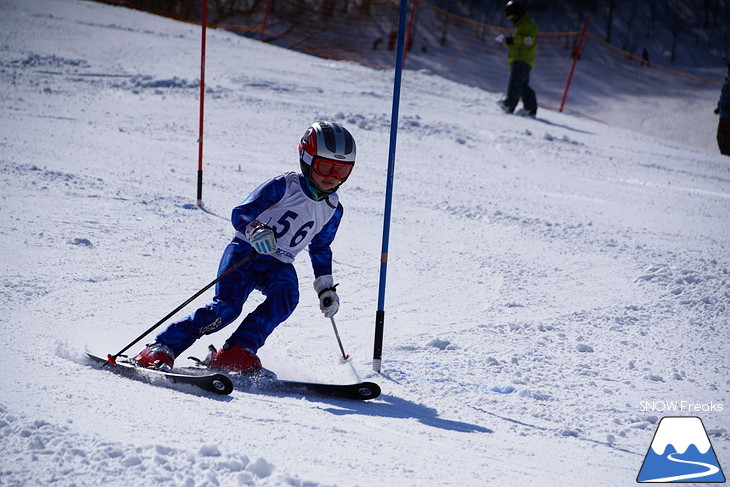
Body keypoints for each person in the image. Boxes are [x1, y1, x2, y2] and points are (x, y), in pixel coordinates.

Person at [133, 121, 356, 372]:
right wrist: (255, 229)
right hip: (246, 252)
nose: (333, 178)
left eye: (342, 171)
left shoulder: (333, 209)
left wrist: (325, 287)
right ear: (306, 158)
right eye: (326, 167)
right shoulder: (284, 185)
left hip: (279, 262)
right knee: (226, 308)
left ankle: (238, 350)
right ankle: (161, 347)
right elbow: (241, 213)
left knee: (286, 297)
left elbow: (321, 248)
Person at [499, 0, 539, 118]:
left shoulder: (528, 24)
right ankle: (530, 108)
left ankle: (509, 104)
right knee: (522, 85)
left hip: (524, 58)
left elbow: (528, 41)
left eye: (512, 16)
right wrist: (508, 42)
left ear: (518, 13)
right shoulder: (520, 25)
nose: (511, 19)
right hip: (518, 58)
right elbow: (518, 43)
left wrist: (513, 40)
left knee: (516, 82)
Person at [715, 63, 730, 156]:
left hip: (728, 117)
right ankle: (724, 156)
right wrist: (719, 107)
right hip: (723, 114)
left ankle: (726, 157)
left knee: (726, 139)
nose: (728, 72)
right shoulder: (727, 82)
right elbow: (723, 97)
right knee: (720, 137)